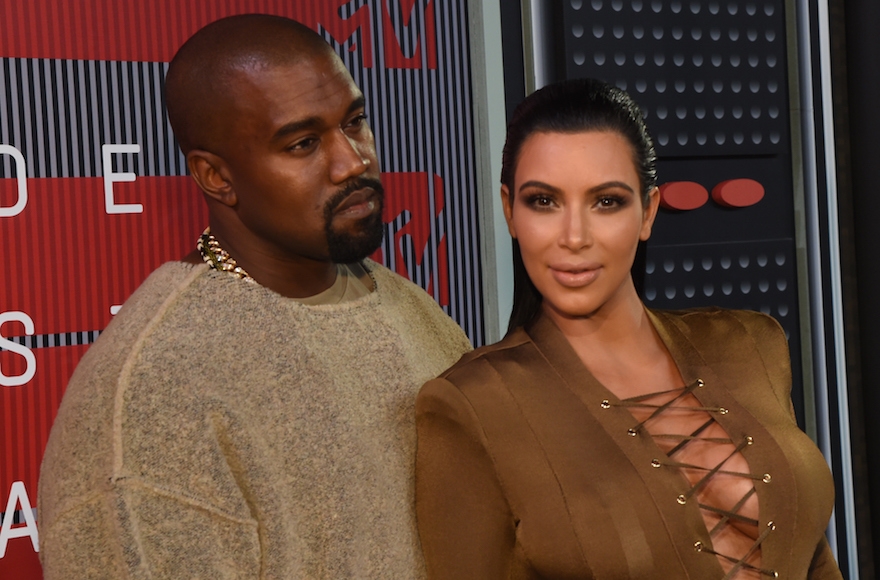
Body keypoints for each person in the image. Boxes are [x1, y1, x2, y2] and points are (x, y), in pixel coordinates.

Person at [38, 14, 472, 579]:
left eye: (355, 121)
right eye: (304, 143)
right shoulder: (157, 390)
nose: (353, 161)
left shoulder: (407, 305)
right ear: (216, 176)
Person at [415, 78, 842, 579]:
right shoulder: (470, 406)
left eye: (607, 201)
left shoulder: (750, 343)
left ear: (648, 212)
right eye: (544, 202)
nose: (574, 237)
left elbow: (813, 555)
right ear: (510, 210)